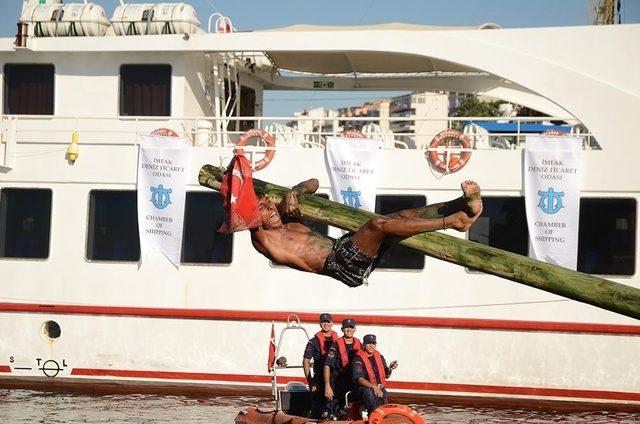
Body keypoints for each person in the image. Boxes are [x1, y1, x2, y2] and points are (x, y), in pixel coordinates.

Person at [250, 179, 482, 287]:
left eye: (268, 205)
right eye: (261, 210)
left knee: (401, 216)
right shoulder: (264, 238)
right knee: (377, 225)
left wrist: (294, 192)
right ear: (253, 217)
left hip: (346, 249)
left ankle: (462, 204)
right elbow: (244, 211)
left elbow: (314, 182)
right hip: (340, 265)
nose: (270, 211)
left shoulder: (285, 215)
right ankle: (452, 222)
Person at [323, 318, 361, 419]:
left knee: (354, 410)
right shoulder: (335, 345)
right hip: (337, 382)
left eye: (351, 327)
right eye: (346, 327)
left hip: (353, 383)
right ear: (342, 329)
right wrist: (327, 386)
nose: (349, 330)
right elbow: (327, 366)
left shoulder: (359, 345)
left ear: (355, 329)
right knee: (333, 412)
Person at [303, 313, 339, 418]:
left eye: (328, 322)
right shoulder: (313, 342)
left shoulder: (338, 341)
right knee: (317, 408)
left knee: (335, 406)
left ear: (332, 323)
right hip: (319, 378)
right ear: (319, 323)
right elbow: (306, 361)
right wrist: (310, 381)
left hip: (336, 377)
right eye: (323, 322)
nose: (326, 324)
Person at [352, 334, 398, 415]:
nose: (371, 346)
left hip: (378, 388)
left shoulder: (380, 357)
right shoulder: (358, 359)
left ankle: (379, 415)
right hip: (363, 389)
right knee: (369, 392)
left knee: (385, 411)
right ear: (363, 344)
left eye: (373, 343)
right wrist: (374, 387)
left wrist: (390, 369)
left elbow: (386, 375)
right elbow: (360, 379)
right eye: (368, 343)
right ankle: (373, 415)